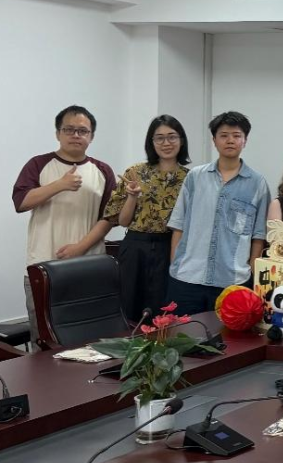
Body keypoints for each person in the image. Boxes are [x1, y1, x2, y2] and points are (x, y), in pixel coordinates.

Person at [13, 105, 116, 341]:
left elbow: (110, 217)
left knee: (89, 335)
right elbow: (21, 202)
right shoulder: (38, 164)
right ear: (58, 133)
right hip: (43, 264)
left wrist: (80, 248)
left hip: (89, 265)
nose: (75, 135)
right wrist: (59, 185)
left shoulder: (102, 170)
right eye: (69, 129)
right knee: (45, 338)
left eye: (82, 131)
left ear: (91, 136)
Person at [167, 112, 270, 315]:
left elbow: (258, 236)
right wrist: (174, 264)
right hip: (187, 278)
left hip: (233, 281)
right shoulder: (195, 177)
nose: (230, 140)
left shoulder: (257, 184)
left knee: (227, 336)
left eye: (236, 135)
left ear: (245, 141)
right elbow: (178, 225)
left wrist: (250, 272)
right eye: (223, 135)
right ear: (214, 140)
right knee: (182, 334)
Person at [104, 115, 191, 322]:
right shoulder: (135, 172)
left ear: (181, 140)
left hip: (171, 247)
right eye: (159, 138)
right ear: (151, 142)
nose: (166, 143)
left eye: (172, 137)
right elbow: (123, 221)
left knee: (164, 309)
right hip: (136, 246)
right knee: (129, 306)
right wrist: (132, 196)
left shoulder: (191, 178)